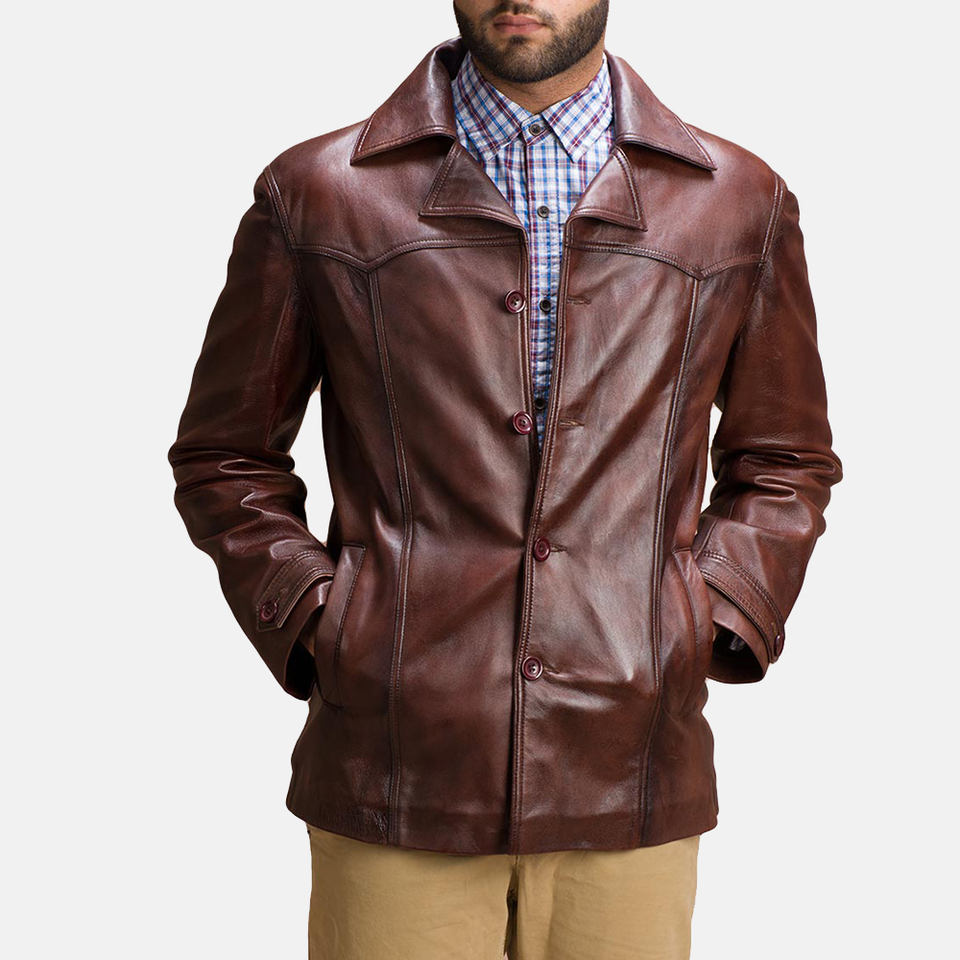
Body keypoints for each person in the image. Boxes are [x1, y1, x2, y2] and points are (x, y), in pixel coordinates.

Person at [167, 2, 842, 957]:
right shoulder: (317, 192)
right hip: (397, 765)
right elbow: (225, 454)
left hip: (632, 763)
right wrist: (330, 622)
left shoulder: (737, 199)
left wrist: (703, 614)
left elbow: (785, 457)